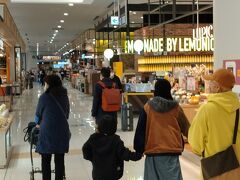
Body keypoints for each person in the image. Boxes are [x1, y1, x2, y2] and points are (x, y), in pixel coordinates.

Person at [134, 79, 190, 180]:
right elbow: (187, 129)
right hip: (171, 152)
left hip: (153, 152)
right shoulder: (176, 108)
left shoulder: (148, 107)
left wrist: (139, 149)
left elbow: (140, 130)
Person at [188, 69, 240, 167]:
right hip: (236, 166)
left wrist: (202, 152)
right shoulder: (238, 108)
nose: (209, 85)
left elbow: (195, 142)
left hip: (213, 167)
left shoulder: (206, 109)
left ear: (217, 87)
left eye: (211, 82)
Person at [82, 115, 142, 180]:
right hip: (113, 174)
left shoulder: (93, 138)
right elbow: (124, 153)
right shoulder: (116, 140)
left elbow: (85, 149)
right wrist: (138, 155)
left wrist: (93, 158)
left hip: (98, 174)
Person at [34, 75, 70, 180]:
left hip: (47, 133)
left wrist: (37, 123)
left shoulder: (44, 97)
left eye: (45, 84)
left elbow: (37, 115)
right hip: (62, 131)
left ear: (49, 85)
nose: (44, 86)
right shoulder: (64, 96)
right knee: (59, 160)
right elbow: (67, 115)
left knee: (46, 160)